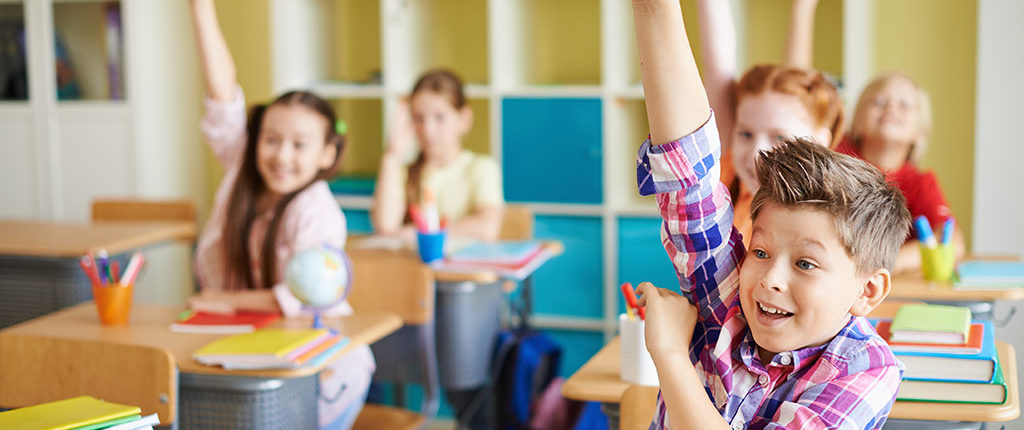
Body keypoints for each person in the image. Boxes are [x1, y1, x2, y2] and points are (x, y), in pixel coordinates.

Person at [629, 0, 911, 428]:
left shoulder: (865, 368)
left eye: (805, 263)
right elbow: (687, 176)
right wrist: (655, 10)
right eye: (760, 252)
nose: (769, 279)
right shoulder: (728, 302)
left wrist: (670, 356)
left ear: (868, 290)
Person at [187, 1, 372, 428]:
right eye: (271, 139)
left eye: (299, 144)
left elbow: (300, 298)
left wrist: (223, 302)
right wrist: (201, 10)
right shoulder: (241, 165)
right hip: (248, 348)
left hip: (321, 366)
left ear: (328, 153)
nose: (281, 155)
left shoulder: (318, 211)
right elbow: (221, 92)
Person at [696, 0, 843, 241]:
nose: (757, 152)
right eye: (745, 134)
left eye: (779, 137)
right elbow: (718, 66)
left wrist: (802, 9)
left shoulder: (826, 213)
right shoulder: (732, 179)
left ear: (820, 140)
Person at [839, 72, 966, 274]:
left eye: (904, 105)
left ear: (919, 132)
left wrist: (882, 263)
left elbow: (954, 243)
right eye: (878, 101)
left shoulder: (921, 183)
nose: (891, 108)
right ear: (857, 122)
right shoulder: (835, 160)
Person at [371, 69, 504, 242]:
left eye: (440, 117)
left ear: (464, 119)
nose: (427, 130)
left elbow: (487, 227)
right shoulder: (403, 172)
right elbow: (385, 227)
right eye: (418, 118)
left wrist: (417, 234)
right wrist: (391, 155)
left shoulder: (481, 168)